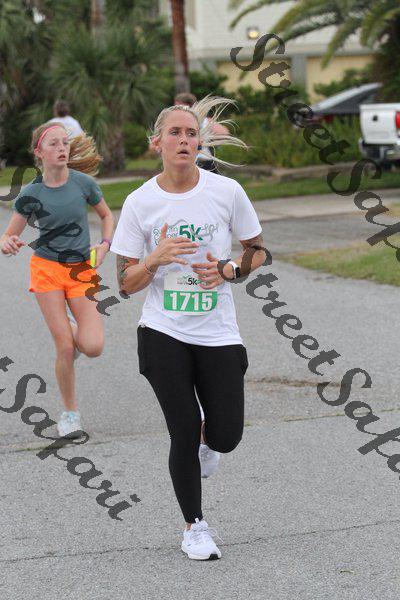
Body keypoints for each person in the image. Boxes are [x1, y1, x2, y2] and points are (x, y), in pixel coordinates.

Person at [111, 96, 266, 560]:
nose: (183, 140)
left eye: (191, 133)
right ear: (156, 143)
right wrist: (154, 259)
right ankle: (195, 527)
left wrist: (230, 270)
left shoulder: (226, 192)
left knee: (226, 436)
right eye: (174, 133)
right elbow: (125, 284)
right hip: (163, 331)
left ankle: (208, 440)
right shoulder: (140, 202)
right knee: (182, 427)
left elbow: (258, 250)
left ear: (200, 143)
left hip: (218, 331)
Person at [0, 122, 114, 437]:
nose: (62, 148)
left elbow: (107, 215)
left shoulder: (83, 183)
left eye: (65, 143)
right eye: (54, 144)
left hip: (81, 271)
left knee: (92, 347)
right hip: (47, 270)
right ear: (39, 152)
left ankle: (73, 328)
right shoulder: (31, 193)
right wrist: (8, 243)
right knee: (64, 347)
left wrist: (105, 244)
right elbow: (8, 235)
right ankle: (70, 415)